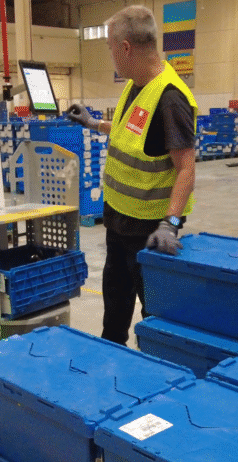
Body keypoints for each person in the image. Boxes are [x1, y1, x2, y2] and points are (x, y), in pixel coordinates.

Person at [66, 5, 197, 346]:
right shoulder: (137, 86)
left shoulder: (170, 98)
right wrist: (94, 123)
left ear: (125, 48)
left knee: (154, 319)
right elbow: (132, 132)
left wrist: (171, 223)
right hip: (118, 224)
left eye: (110, 46)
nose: (110, 55)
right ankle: (114, 367)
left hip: (150, 233)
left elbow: (186, 166)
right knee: (115, 313)